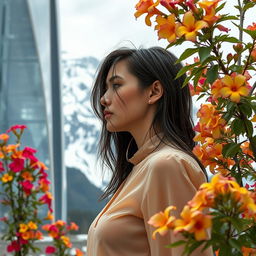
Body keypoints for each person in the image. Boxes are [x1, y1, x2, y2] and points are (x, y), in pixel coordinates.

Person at [87, 47, 213, 256]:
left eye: (116, 85)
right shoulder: (142, 168)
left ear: (154, 91)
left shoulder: (166, 165)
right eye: (105, 88)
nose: (104, 99)